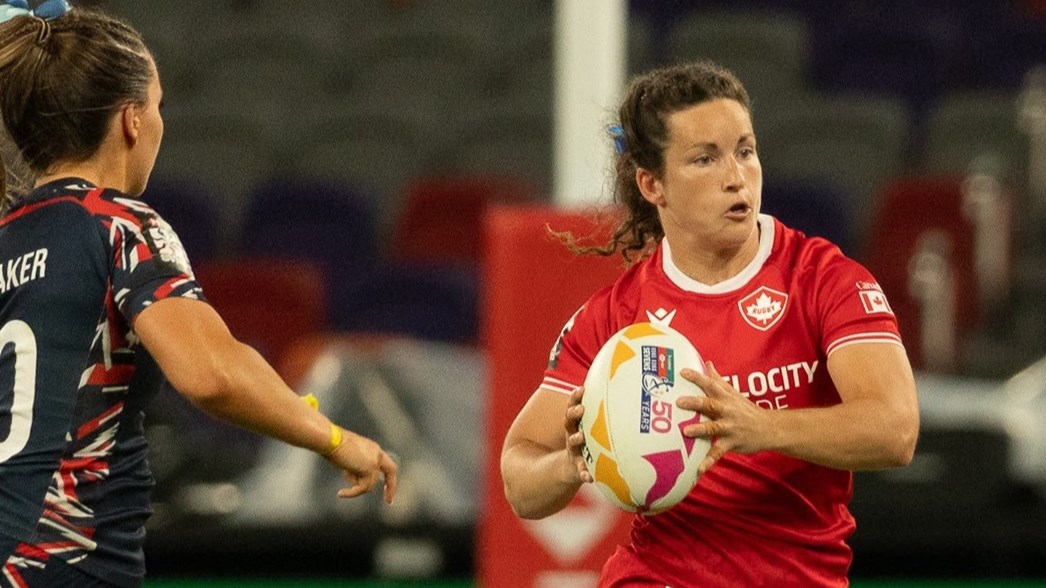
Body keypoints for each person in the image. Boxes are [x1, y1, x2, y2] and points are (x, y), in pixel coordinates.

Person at [0, 2, 398, 586]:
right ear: (132, 120)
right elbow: (213, 372)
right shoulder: (119, 225)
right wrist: (335, 439)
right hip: (64, 565)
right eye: (158, 106)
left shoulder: (7, 237)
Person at [500, 60, 919, 587]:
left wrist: (761, 427)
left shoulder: (822, 279)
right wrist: (571, 463)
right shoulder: (617, 316)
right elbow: (520, 477)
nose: (735, 177)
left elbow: (896, 429)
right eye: (705, 158)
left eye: (745, 151)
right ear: (653, 185)